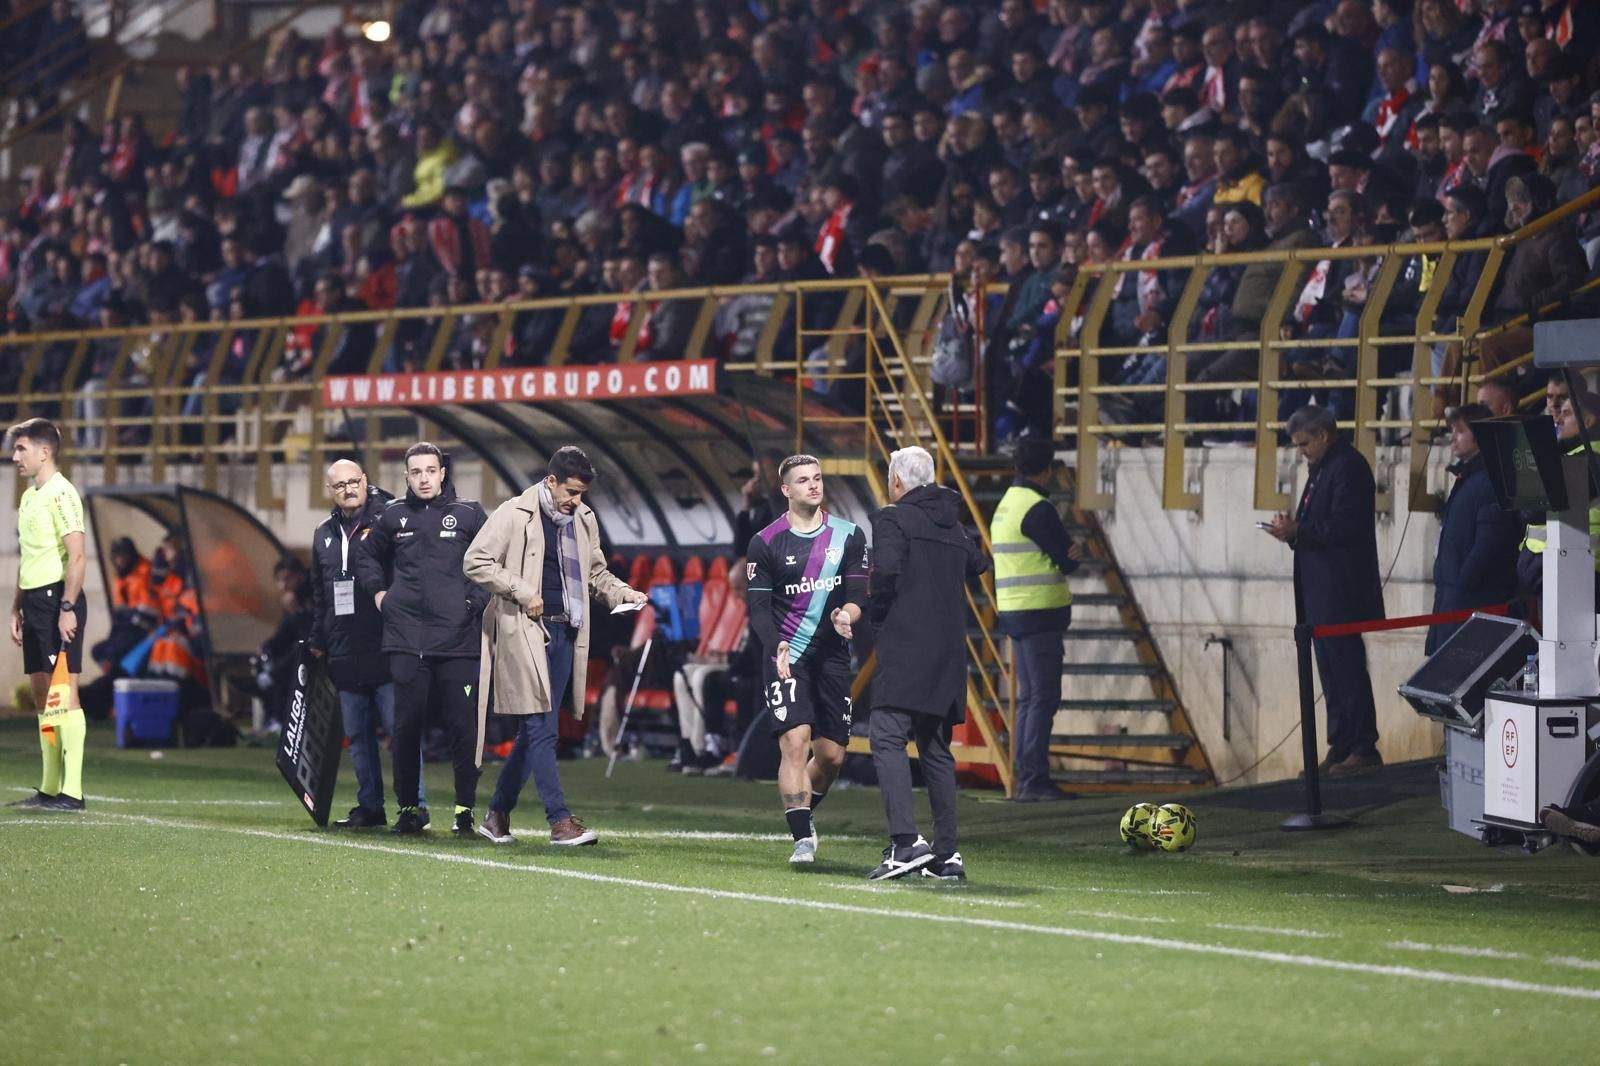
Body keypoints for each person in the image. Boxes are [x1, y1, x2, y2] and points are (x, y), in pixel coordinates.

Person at [464, 446, 647, 847]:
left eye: (582, 494)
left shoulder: (583, 519)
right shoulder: (513, 513)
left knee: (536, 732)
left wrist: (624, 593)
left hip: (566, 632)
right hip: (524, 631)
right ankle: (559, 820)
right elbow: (475, 560)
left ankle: (497, 814)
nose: (577, 501)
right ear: (551, 481)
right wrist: (522, 590)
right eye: (572, 492)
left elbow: (596, 574)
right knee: (541, 727)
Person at [864, 447, 989, 881]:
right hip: (949, 652)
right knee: (935, 748)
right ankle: (947, 855)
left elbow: (887, 571)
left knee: (886, 736)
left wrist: (877, 616)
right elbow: (978, 563)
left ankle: (905, 843)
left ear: (897, 481)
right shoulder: (953, 523)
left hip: (906, 645)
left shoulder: (893, 519)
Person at [353, 443, 488, 836]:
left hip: (458, 641)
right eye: (416, 472)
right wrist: (380, 594)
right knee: (406, 728)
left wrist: (473, 603)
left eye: (431, 470)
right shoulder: (393, 515)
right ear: (407, 476)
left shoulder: (469, 513)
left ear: (442, 473)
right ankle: (410, 810)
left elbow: (493, 561)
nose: (424, 478)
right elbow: (365, 556)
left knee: (463, 728)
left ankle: (464, 811)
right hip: (407, 639)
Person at [744, 454, 869, 864]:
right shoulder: (765, 542)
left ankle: (802, 810)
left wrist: (846, 615)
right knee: (795, 743)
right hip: (787, 655)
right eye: (802, 480)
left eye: (817, 478)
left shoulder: (849, 535)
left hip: (832, 655)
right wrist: (776, 644)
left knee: (831, 756)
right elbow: (758, 609)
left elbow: (857, 596)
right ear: (786, 490)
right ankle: (801, 838)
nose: (813, 485)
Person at [1264, 405, 1384, 774]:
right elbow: (1318, 525)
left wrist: (1298, 530)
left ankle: (1362, 745)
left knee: (1347, 669)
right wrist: (1292, 531)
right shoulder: (1323, 468)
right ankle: (1341, 743)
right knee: (1331, 673)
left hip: (1340, 588)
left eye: (1304, 444)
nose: (1301, 452)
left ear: (1323, 435)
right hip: (1320, 589)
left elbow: (1344, 527)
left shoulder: (1348, 467)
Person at [307, 458, 424, 829]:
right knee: (357, 736)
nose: (348, 489)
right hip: (344, 648)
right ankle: (371, 806)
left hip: (387, 642)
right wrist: (318, 637)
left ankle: (414, 807)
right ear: (330, 491)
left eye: (353, 481)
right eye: (339, 485)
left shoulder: (389, 519)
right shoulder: (323, 534)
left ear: (365, 480)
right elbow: (320, 594)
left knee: (399, 732)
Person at [993, 436, 1082, 802]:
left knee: (1030, 699)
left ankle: (1026, 778)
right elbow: (1067, 559)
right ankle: (1033, 780)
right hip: (1039, 612)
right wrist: (1073, 554)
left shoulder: (1007, 504)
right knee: (1042, 698)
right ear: (1047, 469)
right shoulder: (1038, 508)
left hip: (1014, 611)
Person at [6, 418, 88, 812]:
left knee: (64, 694)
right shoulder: (28, 497)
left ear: (44, 452)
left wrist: (68, 608)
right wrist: (16, 607)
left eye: (21, 448)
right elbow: (30, 557)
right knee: (43, 697)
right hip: (34, 602)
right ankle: (49, 788)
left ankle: (73, 792)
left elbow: (78, 556)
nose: (14, 457)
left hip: (59, 601)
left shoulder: (62, 493)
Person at [1425, 404, 1523, 654]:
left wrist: (1461, 586)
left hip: (1472, 604)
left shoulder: (1490, 480)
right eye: (1452, 431)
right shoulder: (1467, 478)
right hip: (1452, 600)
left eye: (1460, 431)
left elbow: (1488, 545)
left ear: (1480, 435)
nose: (1452, 438)